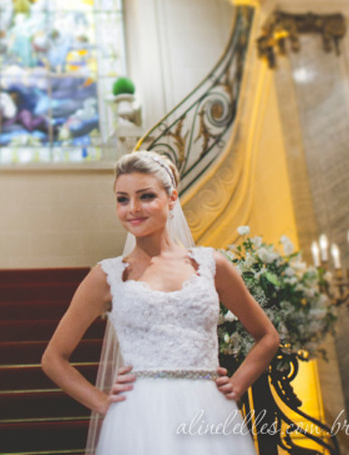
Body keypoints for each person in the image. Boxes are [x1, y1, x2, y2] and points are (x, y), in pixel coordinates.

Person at [41, 151, 280, 454]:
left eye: (146, 196)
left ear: (172, 198)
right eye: (122, 199)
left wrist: (238, 384)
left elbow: (268, 337)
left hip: (208, 414)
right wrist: (104, 404)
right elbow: (53, 359)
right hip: (138, 420)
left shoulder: (211, 265)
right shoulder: (107, 276)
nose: (133, 209)